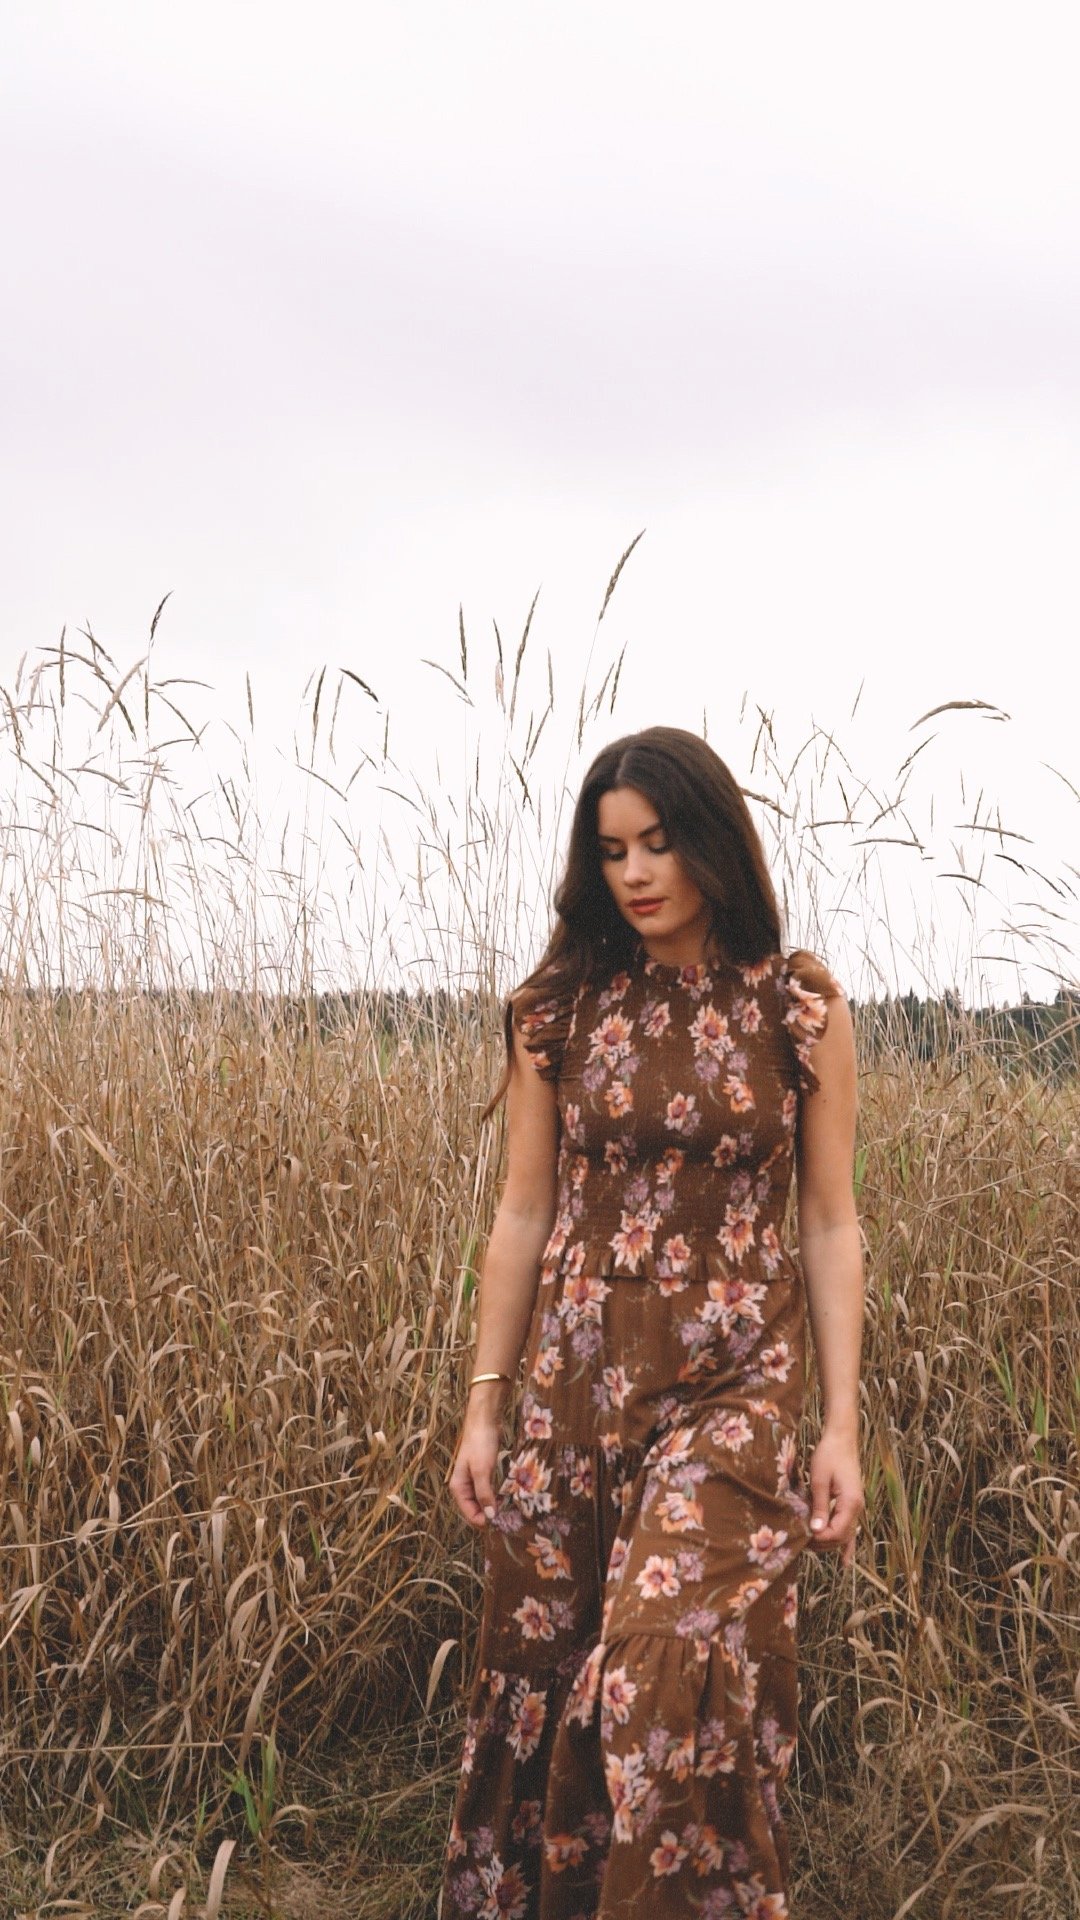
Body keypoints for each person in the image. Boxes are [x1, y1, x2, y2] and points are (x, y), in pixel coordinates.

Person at [439, 725, 864, 1920]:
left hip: (738, 1383)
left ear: (714, 841)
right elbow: (522, 1215)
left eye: (660, 842)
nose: (635, 872)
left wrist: (840, 1428)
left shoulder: (801, 1012)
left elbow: (832, 1223)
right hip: (576, 1389)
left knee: (658, 1665)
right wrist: (487, 1406)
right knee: (548, 1661)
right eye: (613, 848)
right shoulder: (557, 1013)